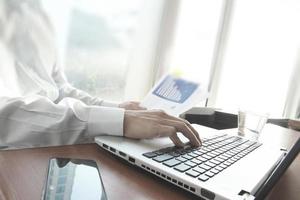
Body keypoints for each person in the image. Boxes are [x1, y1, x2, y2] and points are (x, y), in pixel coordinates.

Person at [0, 0, 201, 149]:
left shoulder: (37, 14)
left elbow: (58, 88)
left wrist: (119, 108)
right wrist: (121, 121)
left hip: (49, 145)